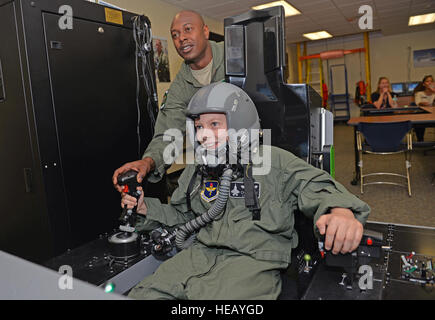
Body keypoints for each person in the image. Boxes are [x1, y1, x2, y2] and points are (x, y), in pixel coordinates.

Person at [121, 83, 371, 300]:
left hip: (252, 264)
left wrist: (340, 212)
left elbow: (316, 186)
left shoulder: (273, 161)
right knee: (143, 293)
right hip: (196, 257)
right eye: (199, 127)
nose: (204, 134)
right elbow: (184, 218)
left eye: (214, 124)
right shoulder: (198, 169)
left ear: (240, 124)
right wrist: (146, 209)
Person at [112, 10, 225, 191]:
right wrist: (147, 162)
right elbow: (168, 133)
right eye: (175, 35)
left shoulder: (235, 56)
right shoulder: (180, 87)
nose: (181, 38)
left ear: (205, 31)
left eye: (188, 29)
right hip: (215, 166)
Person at [413, 75, 435, 142]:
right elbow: (418, 103)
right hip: (422, 115)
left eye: (431, 81)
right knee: (418, 124)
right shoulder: (419, 93)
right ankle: (420, 141)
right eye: (427, 81)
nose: (430, 83)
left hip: (433, 116)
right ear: (423, 84)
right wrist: (425, 103)